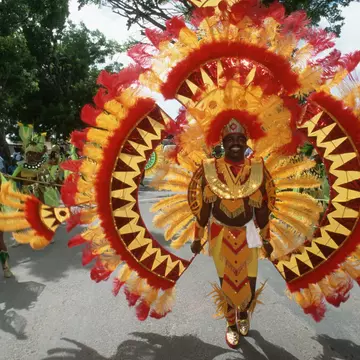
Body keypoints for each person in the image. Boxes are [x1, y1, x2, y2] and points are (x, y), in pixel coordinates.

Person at [190, 118, 272, 348]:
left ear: (246, 142)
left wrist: (267, 238)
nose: (235, 143)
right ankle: (231, 325)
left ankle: (244, 313)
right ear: (223, 143)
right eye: (230, 139)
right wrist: (197, 238)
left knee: (250, 282)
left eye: (240, 139)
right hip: (219, 233)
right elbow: (203, 207)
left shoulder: (257, 167)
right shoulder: (210, 168)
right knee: (226, 282)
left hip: (249, 232)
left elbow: (263, 207)